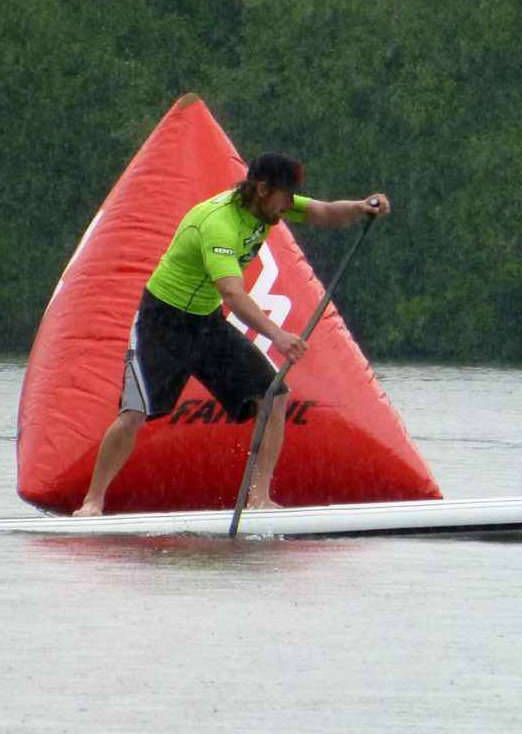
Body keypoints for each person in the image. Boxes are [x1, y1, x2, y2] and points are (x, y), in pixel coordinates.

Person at [73, 152, 389, 516]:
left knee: (274, 397)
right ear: (262, 188)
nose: (289, 204)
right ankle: (92, 502)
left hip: (206, 323)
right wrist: (277, 335)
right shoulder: (219, 223)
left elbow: (325, 213)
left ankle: (257, 500)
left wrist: (362, 207)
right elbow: (232, 293)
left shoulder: (268, 206)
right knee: (133, 414)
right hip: (162, 322)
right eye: (285, 195)